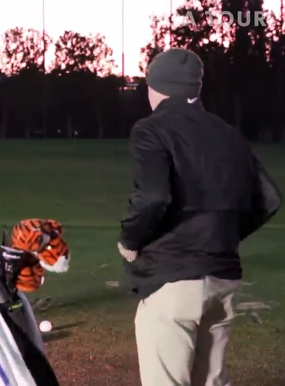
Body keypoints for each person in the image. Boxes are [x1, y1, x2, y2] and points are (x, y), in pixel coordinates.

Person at [118, 47, 282, 386]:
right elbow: (268, 199)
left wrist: (130, 241)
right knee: (211, 381)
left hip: (173, 278)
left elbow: (153, 197)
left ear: (156, 86)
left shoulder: (151, 129)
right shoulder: (228, 133)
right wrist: (221, 237)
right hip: (224, 277)